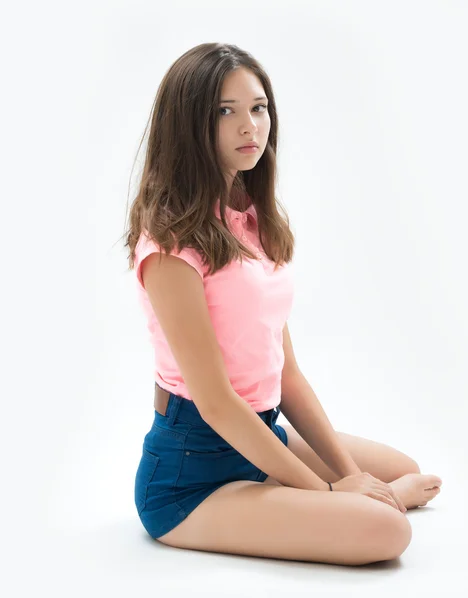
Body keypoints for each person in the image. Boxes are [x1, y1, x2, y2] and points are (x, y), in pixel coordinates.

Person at [123, 42, 442, 566]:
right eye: (225, 111)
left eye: (258, 107)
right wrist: (331, 494)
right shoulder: (170, 248)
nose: (250, 126)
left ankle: (304, 491)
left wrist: (350, 477)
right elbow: (217, 403)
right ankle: (306, 500)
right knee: (387, 530)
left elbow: (286, 373)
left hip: (262, 431)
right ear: (187, 125)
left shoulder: (248, 221)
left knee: (398, 467)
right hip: (193, 475)